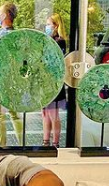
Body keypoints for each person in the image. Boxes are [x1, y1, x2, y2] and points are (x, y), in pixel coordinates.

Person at [0, 2, 23, 147]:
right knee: (16, 116)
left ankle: (1, 149)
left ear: (4, 15)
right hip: (14, 82)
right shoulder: (18, 36)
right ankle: (23, 145)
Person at [42, 13, 67, 147]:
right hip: (46, 82)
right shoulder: (48, 41)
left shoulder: (59, 41)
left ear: (56, 26)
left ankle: (55, 143)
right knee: (45, 114)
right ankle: (45, 142)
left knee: (53, 114)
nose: (46, 27)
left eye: (48, 24)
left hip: (54, 83)